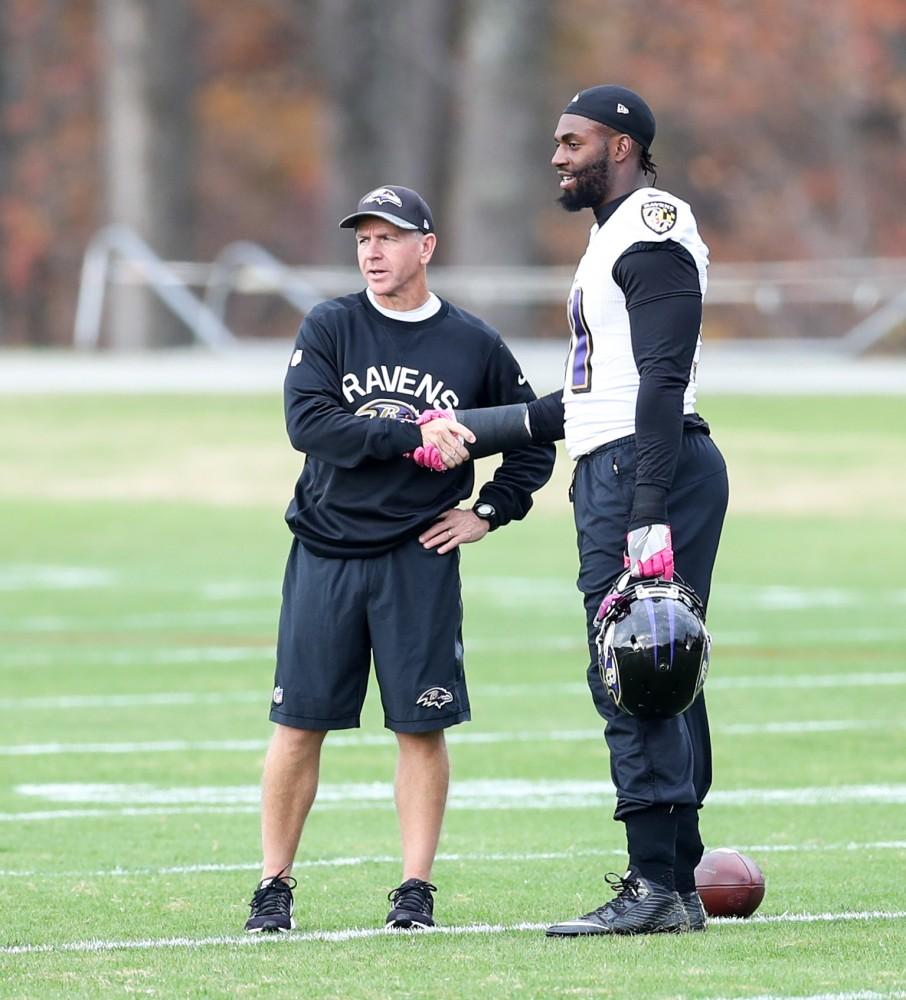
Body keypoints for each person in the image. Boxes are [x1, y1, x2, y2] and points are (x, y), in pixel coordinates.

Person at [416, 85, 728, 935]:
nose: (556, 155)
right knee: (659, 664)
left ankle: (654, 884)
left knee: (637, 667)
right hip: (623, 459)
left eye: (571, 140)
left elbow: (662, 381)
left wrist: (649, 507)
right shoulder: (609, 240)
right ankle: (678, 879)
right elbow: (591, 397)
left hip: (643, 468)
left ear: (620, 146)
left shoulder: (652, 227)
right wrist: (471, 430)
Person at [243, 184, 555, 934]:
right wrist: (415, 435)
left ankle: (414, 891)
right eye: (363, 240)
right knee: (298, 723)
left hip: (418, 556)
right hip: (326, 549)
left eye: (389, 237)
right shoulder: (331, 324)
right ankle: (273, 886)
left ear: (427, 246)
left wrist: (487, 511)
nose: (373, 252)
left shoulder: (473, 343)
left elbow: (533, 436)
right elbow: (309, 424)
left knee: (421, 726)